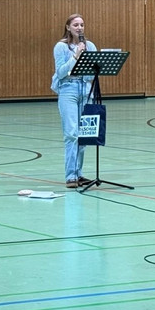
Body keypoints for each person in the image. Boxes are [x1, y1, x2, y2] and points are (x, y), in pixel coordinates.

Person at [51, 14, 97, 188]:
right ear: (68, 27)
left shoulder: (90, 46)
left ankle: (78, 173)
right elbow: (61, 72)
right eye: (76, 25)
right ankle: (70, 176)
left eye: (82, 25)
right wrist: (75, 56)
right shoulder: (61, 47)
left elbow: (93, 72)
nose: (79, 28)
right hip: (68, 90)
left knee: (84, 134)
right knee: (72, 134)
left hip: (85, 90)